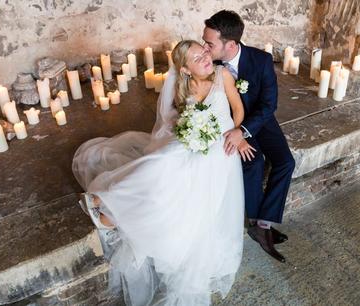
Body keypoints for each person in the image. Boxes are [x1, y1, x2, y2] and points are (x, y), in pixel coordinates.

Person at [72, 40, 251, 305]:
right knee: (162, 160)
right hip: (195, 142)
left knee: (168, 169)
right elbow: (175, 118)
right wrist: (190, 131)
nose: (204, 56)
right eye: (196, 57)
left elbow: (238, 110)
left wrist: (235, 133)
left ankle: (108, 206)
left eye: (203, 52)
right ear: (186, 70)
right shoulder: (185, 87)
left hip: (221, 147)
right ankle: (104, 200)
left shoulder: (222, 75)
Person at [202, 10, 296, 263]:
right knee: (253, 163)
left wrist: (243, 130)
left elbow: (269, 105)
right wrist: (233, 131)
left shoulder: (261, 60)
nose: (204, 47)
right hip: (226, 122)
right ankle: (256, 222)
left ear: (230, 44)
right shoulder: (207, 64)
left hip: (259, 121)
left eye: (209, 43)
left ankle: (263, 223)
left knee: (286, 162)